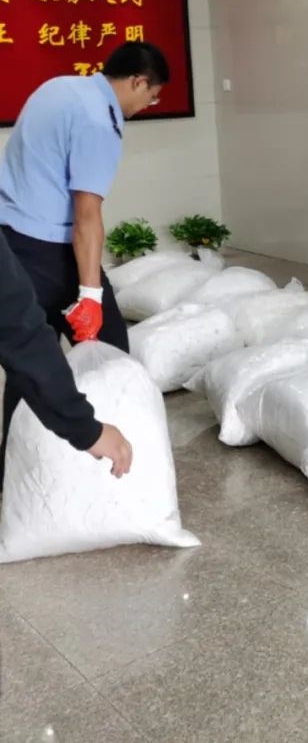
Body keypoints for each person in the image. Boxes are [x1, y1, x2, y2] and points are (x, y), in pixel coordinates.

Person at [0, 41, 168, 483]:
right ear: (137, 82)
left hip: (10, 239)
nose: (145, 107)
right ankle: (118, 459)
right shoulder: (99, 119)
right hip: (50, 249)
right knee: (112, 355)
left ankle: (14, 474)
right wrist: (90, 293)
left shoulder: (58, 88)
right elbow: (87, 216)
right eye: (151, 97)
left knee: (29, 358)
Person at [0, 232, 132, 480]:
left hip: (37, 250)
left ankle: (10, 470)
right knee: (28, 367)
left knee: (25, 375)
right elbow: (19, 335)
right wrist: (85, 429)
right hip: (45, 254)